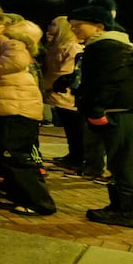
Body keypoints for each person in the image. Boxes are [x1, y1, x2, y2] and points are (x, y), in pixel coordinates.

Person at [70, 5, 133, 228]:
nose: (74, 30)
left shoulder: (104, 46)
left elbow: (107, 80)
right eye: (72, 27)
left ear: (99, 26)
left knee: (123, 161)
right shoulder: (119, 45)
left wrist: (95, 110)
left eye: (79, 26)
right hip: (132, 108)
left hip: (119, 109)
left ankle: (127, 213)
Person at [0, 2, 54, 216]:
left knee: (15, 155)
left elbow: (17, 59)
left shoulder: (6, 35)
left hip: (15, 102)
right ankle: (19, 195)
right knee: (2, 154)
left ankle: (39, 203)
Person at [40, 15, 92, 174]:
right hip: (56, 93)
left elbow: (68, 72)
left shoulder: (72, 47)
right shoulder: (55, 46)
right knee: (69, 128)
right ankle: (73, 155)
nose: (49, 27)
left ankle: (78, 158)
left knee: (75, 128)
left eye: (54, 24)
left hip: (66, 95)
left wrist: (48, 85)